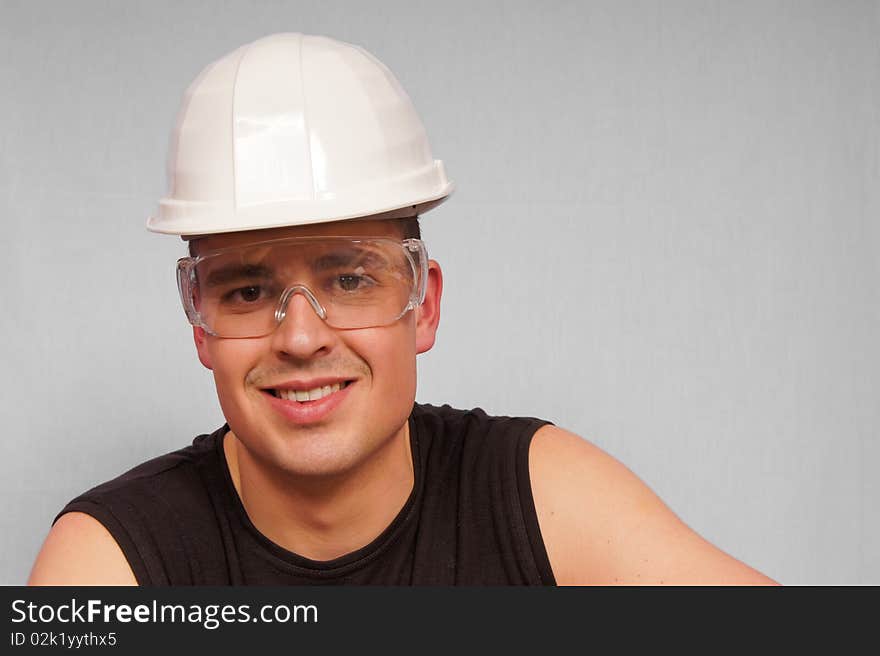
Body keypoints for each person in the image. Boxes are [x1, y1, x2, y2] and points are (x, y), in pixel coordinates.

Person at [28, 33, 776, 586]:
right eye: (248, 291)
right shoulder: (113, 561)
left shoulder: (534, 493)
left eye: (350, 280)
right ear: (200, 324)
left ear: (423, 308)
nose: (300, 336)